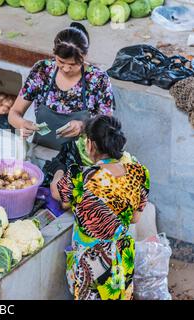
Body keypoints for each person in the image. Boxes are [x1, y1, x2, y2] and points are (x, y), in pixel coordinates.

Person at [55, 115, 150, 300]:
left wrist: (59, 169)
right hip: (121, 259)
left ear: (90, 145)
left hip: (91, 265)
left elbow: (62, 200)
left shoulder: (81, 175)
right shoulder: (139, 173)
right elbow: (134, 218)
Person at [8, 22, 115, 186]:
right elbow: (13, 114)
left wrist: (84, 125)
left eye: (73, 64)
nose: (65, 68)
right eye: (60, 61)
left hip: (80, 163)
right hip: (42, 155)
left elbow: (107, 124)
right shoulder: (42, 71)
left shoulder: (98, 79)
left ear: (84, 56)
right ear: (54, 54)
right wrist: (22, 124)